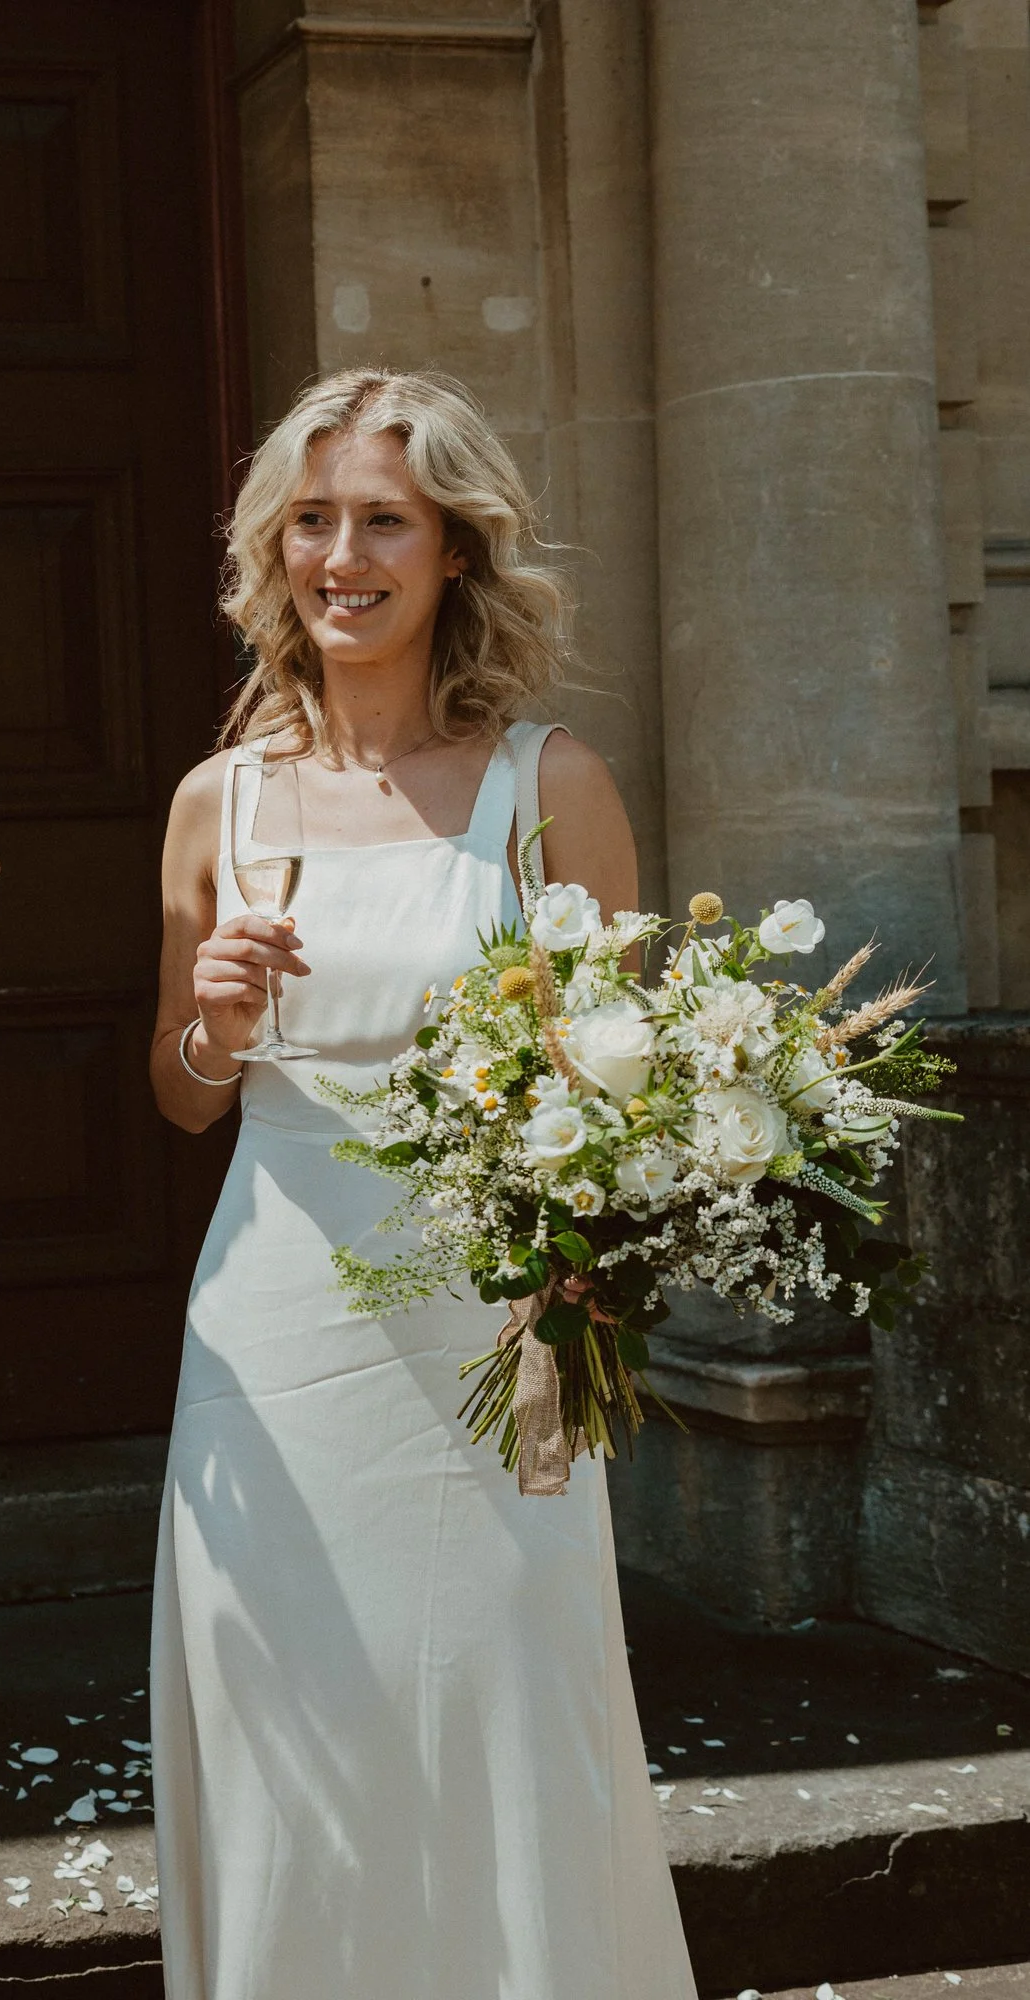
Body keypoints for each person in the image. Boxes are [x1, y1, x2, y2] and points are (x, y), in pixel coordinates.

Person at [144, 368, 695, 1997]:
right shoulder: (216, 803)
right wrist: (217, 1029)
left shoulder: (552, 786)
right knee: (284, 1724)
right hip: (277, 1333)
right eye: (309, 520)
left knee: (508, 1716)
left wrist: (565, 1335)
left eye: (383, 518)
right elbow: (180, 1107)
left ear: (455, 548)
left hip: (493, 1332)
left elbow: (629, 1099)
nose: (341, 555)